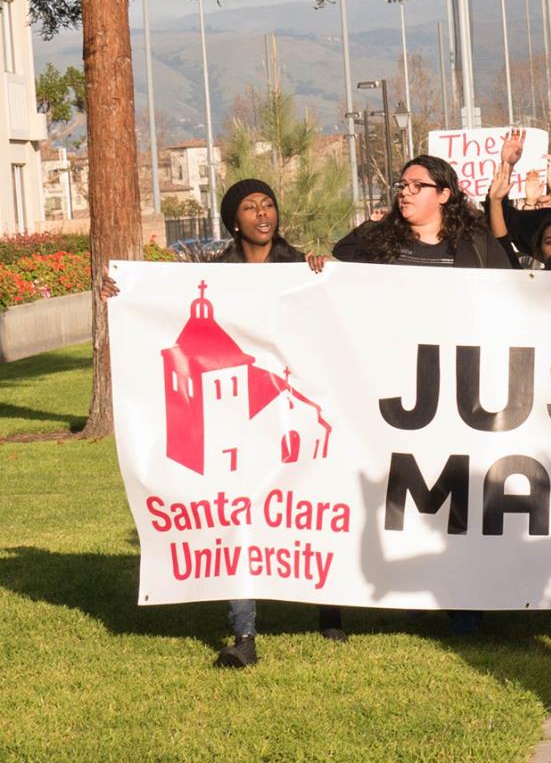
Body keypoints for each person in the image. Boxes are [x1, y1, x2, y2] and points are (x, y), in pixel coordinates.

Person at [101, 177, 335, 668]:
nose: (262, 213)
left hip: (276, 411)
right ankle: (244, 634)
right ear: (234, 221)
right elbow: (158, 304)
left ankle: (330, 610)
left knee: (310, 508)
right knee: (238, 526)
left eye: (268, 204)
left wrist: (324, 274)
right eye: (250, 207)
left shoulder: (299, 268)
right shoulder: (213, 276)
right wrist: (120, 293)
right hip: (234, 428)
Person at [335, 152, 515, 635]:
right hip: (395, 390)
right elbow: (335, 264)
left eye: (417, 185)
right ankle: (378, 594)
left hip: (460, 390)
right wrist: (366, 228)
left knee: (458, 491)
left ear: (444, 194)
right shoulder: (379, 241)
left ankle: (464, 602)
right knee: (396, 489)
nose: (405, 192)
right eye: (401, 185)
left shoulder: (474, 244)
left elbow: (514, 290)